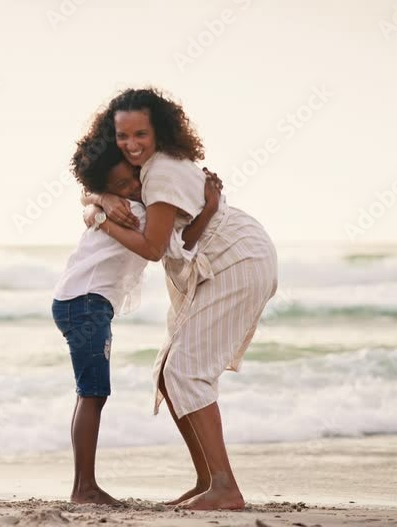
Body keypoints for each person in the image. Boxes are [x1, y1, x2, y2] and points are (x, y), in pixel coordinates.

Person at [77, 87, 278, 511]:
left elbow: (153, 248)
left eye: (141, 134)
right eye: (122, 136)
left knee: (186, 370)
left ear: (160, 132)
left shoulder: (162, 173)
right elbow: (94, 188)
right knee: (171, 372)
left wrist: (102, 220)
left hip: (235, 260)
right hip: (221, 262)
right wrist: (100, 199)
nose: (131, 144)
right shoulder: (146, 170)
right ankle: (208, 480)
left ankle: (225, 487)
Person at [52, 139, 222, 506]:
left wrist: (99, 201)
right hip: (85, 303)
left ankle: (84, 485)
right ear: (107, 188)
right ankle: (84, 488)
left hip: (79, 301)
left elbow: (88, 201)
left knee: (91, 393)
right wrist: (208, 208)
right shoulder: (135, 213)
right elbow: (176, 245)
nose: (131, 187)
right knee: (92, 393)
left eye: (132, 179)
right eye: (120, 186)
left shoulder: (118, 205)